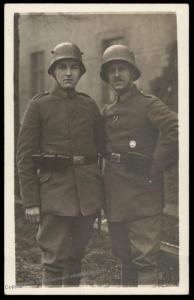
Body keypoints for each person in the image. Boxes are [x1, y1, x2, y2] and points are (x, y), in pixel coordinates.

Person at [17, 42, 104, 287]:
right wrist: (31, 202)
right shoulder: (38, 106)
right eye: (63, 67)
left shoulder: (89, 105)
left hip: (86, 196)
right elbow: (24, 157)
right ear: (53, 72)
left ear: (81, 72)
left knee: (76, 258)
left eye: (74, 67)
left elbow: (103, 148)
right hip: (53, 196)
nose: (68, 73)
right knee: (54, 261)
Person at [100, 44, 178, 286]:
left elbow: (177, 130)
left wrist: (156, 164)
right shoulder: (109, 110)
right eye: (111, 70)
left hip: (143, 195)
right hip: (116, 197)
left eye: (122, 69)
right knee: (125, 258)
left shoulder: (148, 104)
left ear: (133, 73)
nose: (117, 75)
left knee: (145, 260)